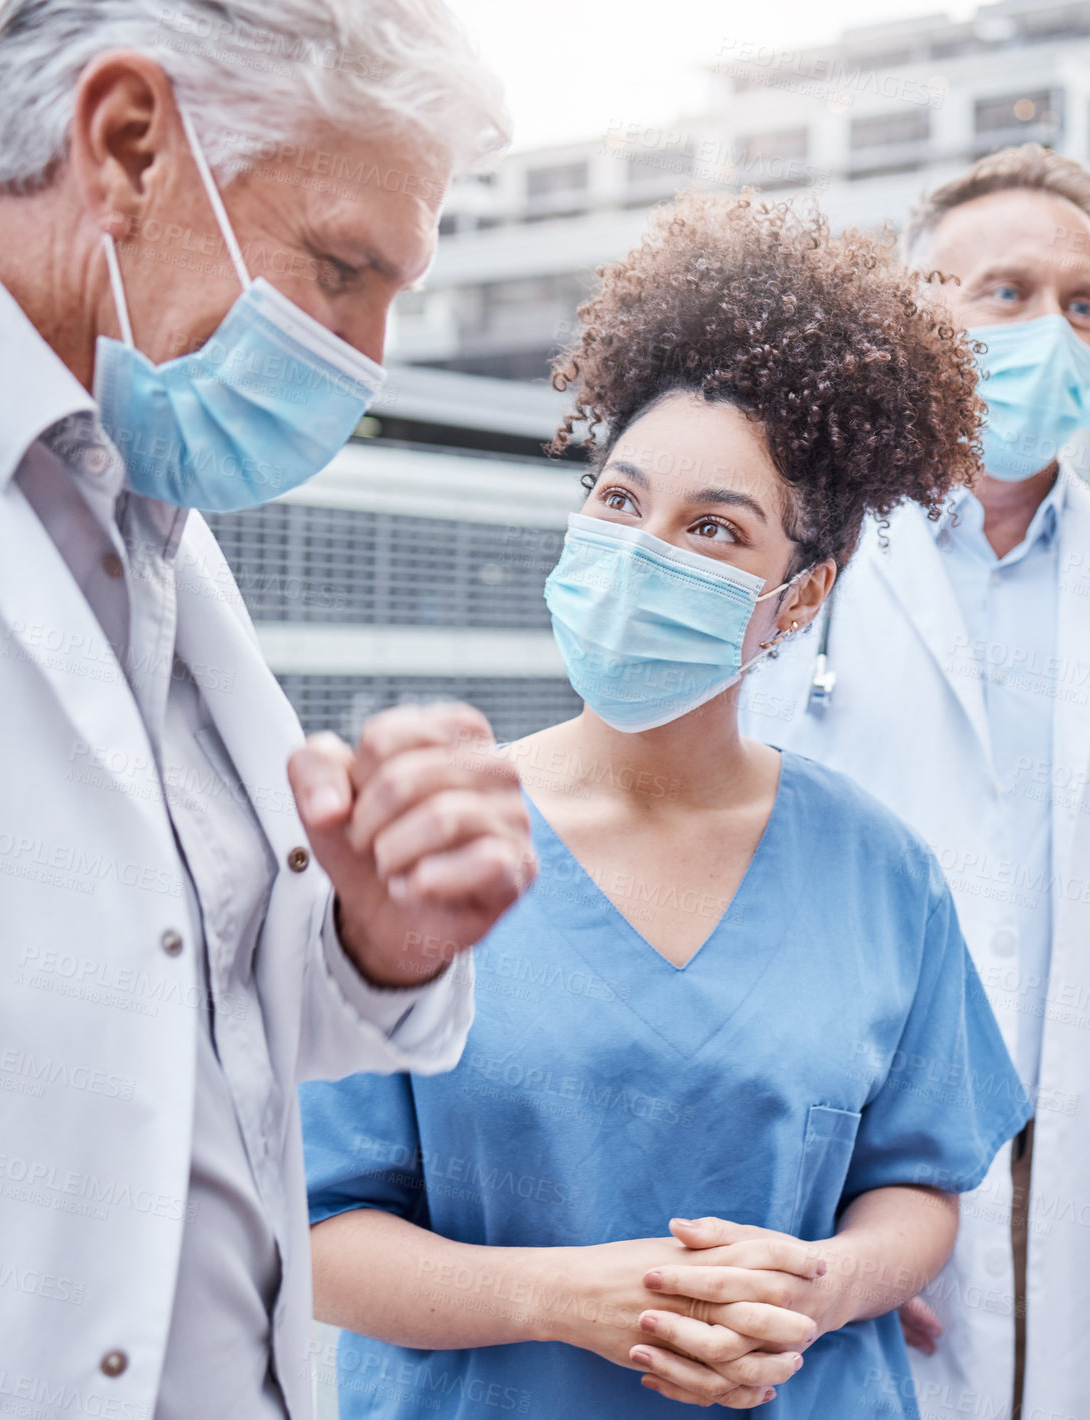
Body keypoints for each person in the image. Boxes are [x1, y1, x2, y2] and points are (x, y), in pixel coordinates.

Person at [0, 4, 536, 1418]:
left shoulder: (139, 505)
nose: (365, 360)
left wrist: (385, 933)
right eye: (345, 269)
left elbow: (161, 1024)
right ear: (126, 147)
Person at [300, 194, 1030, 1418]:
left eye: (711, 530)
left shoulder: (879, 873)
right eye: (621, 501)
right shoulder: (425, 846)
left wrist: (823, 1280)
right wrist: (559, 1299)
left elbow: (918, 1191)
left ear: (798, 599)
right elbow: (318, 1228)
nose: (644, 551)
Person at [742, 145, 1090, 1419]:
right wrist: (809, 1195)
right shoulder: (801, 559)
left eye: (1081, 304)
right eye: (1006, 293)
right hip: (869, 1156)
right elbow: (728, 860)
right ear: (916, 311)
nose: (1054, 333)